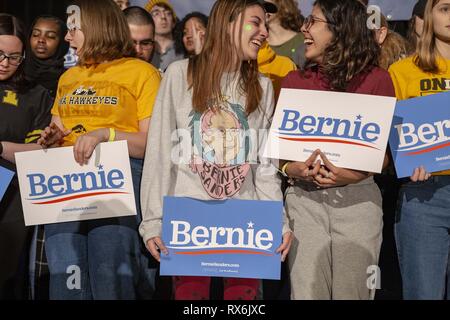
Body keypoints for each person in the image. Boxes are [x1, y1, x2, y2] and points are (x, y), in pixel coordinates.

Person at [139, 0, 293, 300]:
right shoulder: (178, 74)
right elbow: (159, 154)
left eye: (265, 24)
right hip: (188, 221)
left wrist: (278, 221)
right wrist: (153, 221)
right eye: (256, 22)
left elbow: (264, 169)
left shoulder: (263, 86)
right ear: (228, 23)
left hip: (247, 223)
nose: (264, 32)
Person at [37, 0, 161, 300]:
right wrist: (52, 137)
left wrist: (105, 134)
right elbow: (60, 130)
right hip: (66, 185)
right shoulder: (69, 77)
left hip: (116, 184)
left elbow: (150, 145)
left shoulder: (142, 73)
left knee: (111, 281)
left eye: (73, 30)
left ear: (96, 29)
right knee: (65, 280)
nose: (67, 38)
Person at [280, 0, 395, 300]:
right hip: (304, 201)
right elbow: (279, 156)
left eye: (313, 21)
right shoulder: (294, 81)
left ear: (340, 30)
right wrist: (292, 169)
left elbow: (383, 157)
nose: (304, 28)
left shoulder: (378, 80)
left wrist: (350, 175)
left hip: (358, 204)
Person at [389, 0, 450, 300]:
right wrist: (407, 158)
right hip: (424, 196)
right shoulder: (401, 71)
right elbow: (392, 142)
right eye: (446, 8)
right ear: (428, 15)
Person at [0, 13, 53, 300]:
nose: (5, 62)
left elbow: (42, 152)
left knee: (7, 273)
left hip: (14, 194)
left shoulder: (36, 94)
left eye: (13, 57)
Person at [24, 15, 68, 97]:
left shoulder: (68, 79)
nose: (41, 40)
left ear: (62, 42)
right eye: (36, 34)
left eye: (50, 36)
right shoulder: (16, 73)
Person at [145, 0, 183, 72]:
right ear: (147, 21)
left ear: (174, 22)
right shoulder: (141, 51)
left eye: (168, 13)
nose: (163, 17)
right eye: (156, 13)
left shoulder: (185, 50)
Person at [265, 0, 305, 67]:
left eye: (267, 5)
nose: (263, 9)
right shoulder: (260, 44)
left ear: (282, 5)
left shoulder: (302, 40)